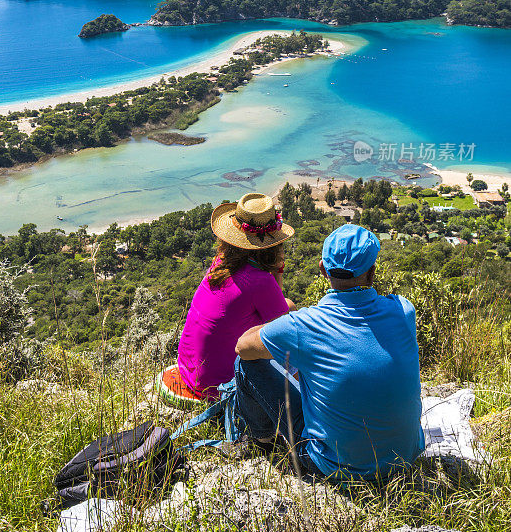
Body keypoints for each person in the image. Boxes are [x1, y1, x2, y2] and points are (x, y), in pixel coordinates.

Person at [234, 223, 425, 482]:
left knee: (246, 366)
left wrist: (279, 324)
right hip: (406, 457)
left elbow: (243, 348)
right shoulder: (404, 310)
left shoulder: (303, 325)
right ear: (372, 273)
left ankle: (264, 442)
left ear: (322, 269)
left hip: (335, 467)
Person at [173, 193, 295, 402]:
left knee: (286, 310)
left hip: (189, 371)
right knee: (292, 318)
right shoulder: (260, 281)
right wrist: (278, 269)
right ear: (275, 243)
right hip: (218, 386)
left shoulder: (220, 263)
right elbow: (281, 329)